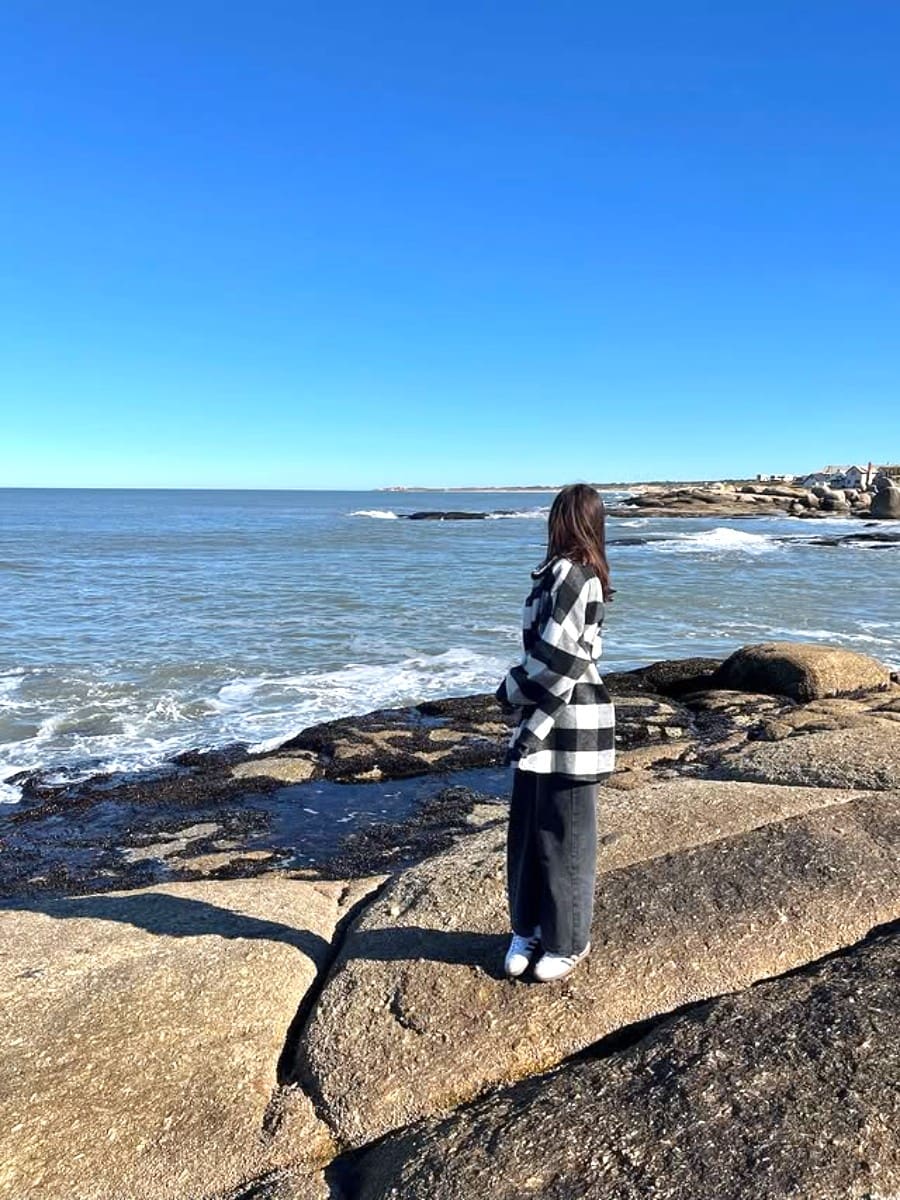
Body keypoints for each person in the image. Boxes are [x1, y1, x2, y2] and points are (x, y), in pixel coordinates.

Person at [494, 483, 616, 983]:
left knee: (565, 837)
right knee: (530, 833)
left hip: (571, 723)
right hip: (545, 725)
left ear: (563, 520)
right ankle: (529, 928)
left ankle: (568, 941)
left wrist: (509, 690)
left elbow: (558, 658)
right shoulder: (560, 574)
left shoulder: (572, 573)